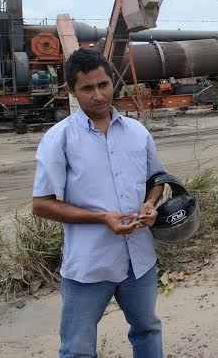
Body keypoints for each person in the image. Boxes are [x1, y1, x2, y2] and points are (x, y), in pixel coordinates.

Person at [32, 48, 166, 358]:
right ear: (71, 90)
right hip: (89, 264)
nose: (98, 95)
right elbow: (41, 204)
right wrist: (101, 218)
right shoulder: (59, 139)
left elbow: (157, 178)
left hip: (139, 260)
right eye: (87, 88)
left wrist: (150, 203)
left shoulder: (137, 132)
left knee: (147, 330)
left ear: (112, 82)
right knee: (77, 348)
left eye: (103, 85)